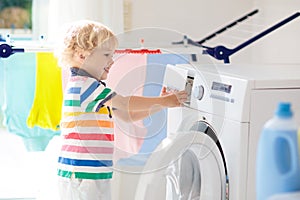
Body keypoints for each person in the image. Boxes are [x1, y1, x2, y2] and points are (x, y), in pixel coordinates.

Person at [54, 20, 188, 200]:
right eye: (107, 55)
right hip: (82, 173)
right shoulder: (85, 86)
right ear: (82, 56)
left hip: (90, 172)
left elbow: (126, 116)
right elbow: (125, 103)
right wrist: (164, 100)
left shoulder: (92, 89)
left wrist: (162, 104)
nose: (112, 61)